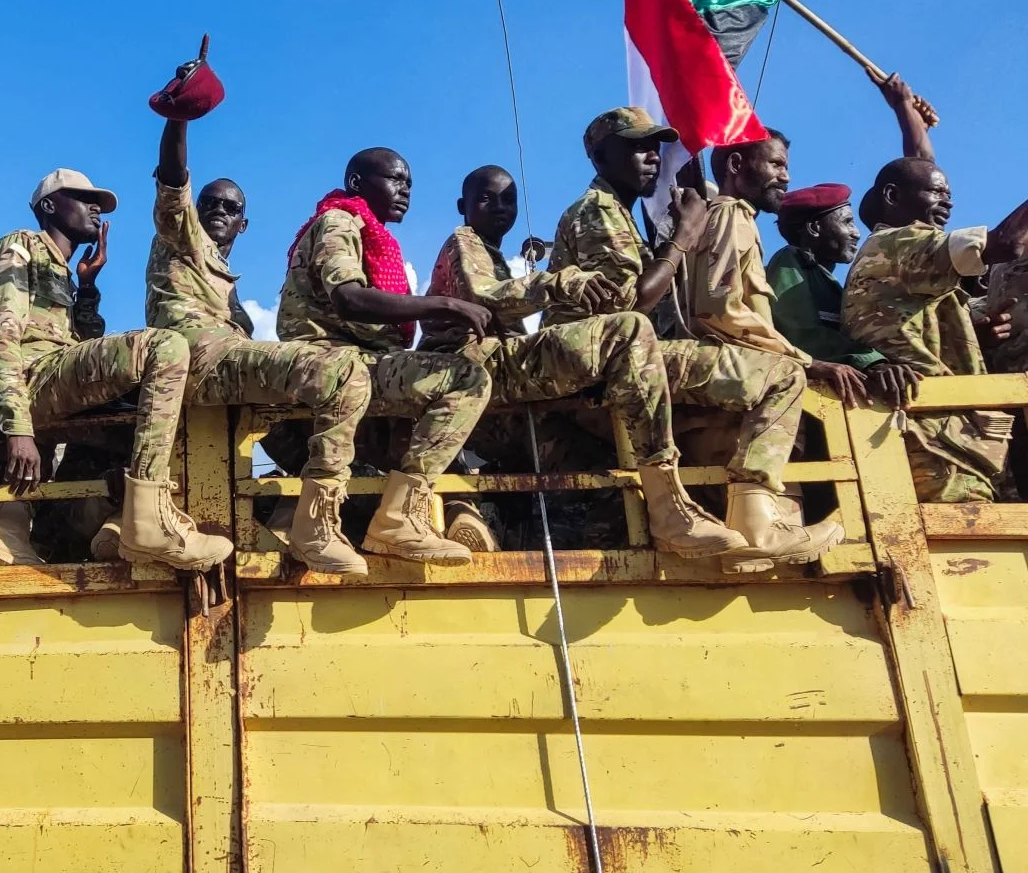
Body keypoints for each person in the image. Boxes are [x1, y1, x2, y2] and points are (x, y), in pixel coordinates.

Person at [547, 107, 831, 572]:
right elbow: (632, 307)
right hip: (601, 363)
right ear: (599, 157)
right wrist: (683, 235)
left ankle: (744, 528)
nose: (652, 157)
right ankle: (757, 524)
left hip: (613, 360)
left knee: (730, 407)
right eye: (636, 147)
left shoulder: (617, 212)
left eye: (654, 146)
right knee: (783, 375)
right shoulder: (597, 211)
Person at [423, 165, 745, 557]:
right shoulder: (464, 240)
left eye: (509, 200)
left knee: (600, 471)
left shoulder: (493, 255)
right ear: (463, 206)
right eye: (486, 199)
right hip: (469, 375)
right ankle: (666, 501)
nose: (500, 207)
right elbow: (485, 296)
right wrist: (560, 282)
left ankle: (518, 531)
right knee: (627, 330)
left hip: (494, 389)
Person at [144, 68, 371, 573]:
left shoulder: (232, 295)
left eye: (230, 207)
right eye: (210, 203)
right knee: (342, 372)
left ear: (243, 224)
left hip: (223, 374)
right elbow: (173, 182)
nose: (218, 210)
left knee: (298, 421)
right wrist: (179, 118)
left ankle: (320, 506)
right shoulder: (180, 237)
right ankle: (315, 526)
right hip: (193, 358)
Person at [0, 168, 229, 571]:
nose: (96, 208)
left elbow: (78, 345)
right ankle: (149, 520)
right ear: (49, 205)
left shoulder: (60, 270)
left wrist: (87, 288)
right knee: (165, 346)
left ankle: (104, 519)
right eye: (83, 198)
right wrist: (18, 429)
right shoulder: (22, 244)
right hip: (29, 382)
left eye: (98, 203)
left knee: (153, 407)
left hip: (50, 379)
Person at [277, 147, 492, 562]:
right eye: (395, 179)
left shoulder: (369, 232)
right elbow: (349, 299)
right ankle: (401, 518)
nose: (405, 190)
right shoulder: (339, 222)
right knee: (467, 379)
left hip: (358, 358)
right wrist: (444, 305)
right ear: (357, 183)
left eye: (409, 182)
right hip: (335, 362)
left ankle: (424, 511)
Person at [842, 156, 1028, 502]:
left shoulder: (900, 256)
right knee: (969, 535)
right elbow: (1006, 243)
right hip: (936, 442)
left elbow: (910, 329)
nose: (948, 202)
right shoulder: (897, 243)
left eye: (949, 194)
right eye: (937, 192)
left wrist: (973, 338)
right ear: (893, 196)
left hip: (944, 437)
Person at [691, 130, 871, 407]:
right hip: (731, 371)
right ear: (735, 165)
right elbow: (721, 310)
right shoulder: (731, 214)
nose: (785, 177)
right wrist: (806, 362)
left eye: (785, 167)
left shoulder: (735, 219)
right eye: (776, 164)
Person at [767, 182, 924, 404]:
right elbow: (799, 331)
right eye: (847, 222)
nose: (856, 233)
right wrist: (871, 362)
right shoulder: (789, 261)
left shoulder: (825, 280)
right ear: (814, 228)